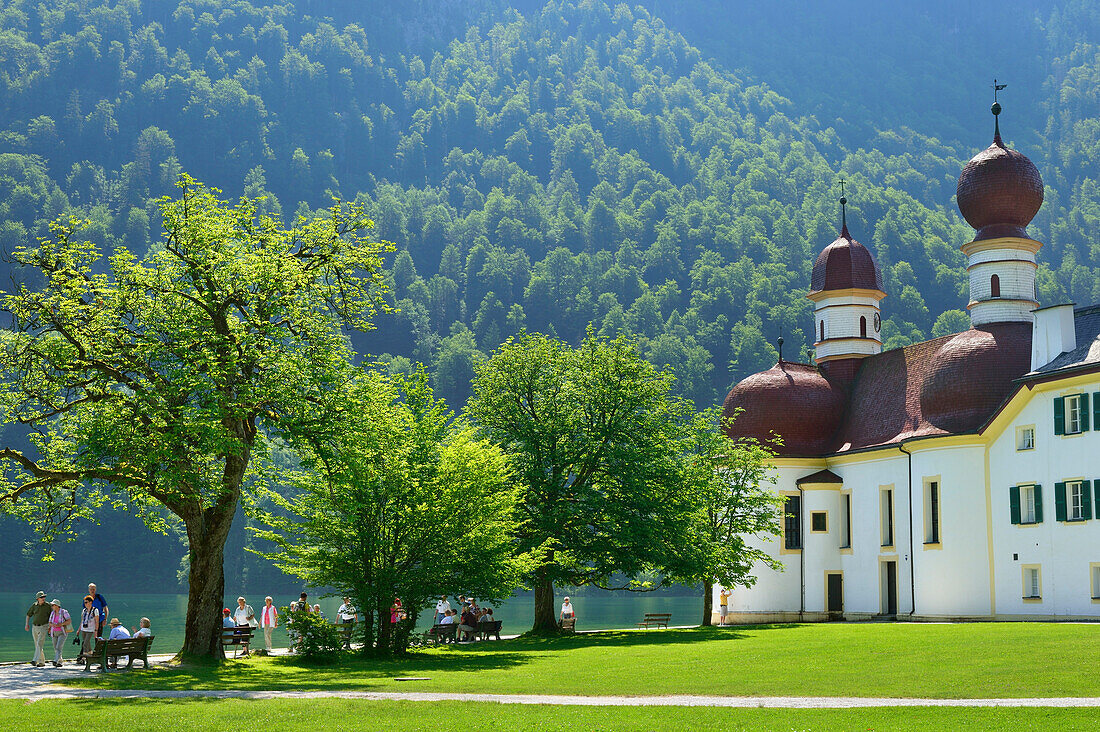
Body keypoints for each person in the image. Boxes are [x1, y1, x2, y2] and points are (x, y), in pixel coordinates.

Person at [24, 591, 51, 667]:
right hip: (34, 627)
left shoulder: (48, 606)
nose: (43, 598)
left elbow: (52, 615)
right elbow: (28, 615)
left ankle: (34, 660)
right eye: (42, 597)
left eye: (44, 597)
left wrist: (50, 627)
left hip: (44, 626)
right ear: (38, 599)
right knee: (37, 644)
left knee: (39, 643)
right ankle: (41, 662)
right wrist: (27, 624)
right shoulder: (34, 605)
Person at [47, 599, 70, 667]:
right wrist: (52, 625)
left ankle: (55, 660)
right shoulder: (52, 613)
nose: (52, 606)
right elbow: (50, 623)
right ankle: (60, 661)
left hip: (62, 632)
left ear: (57, 606)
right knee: (55, 647)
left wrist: (61, 624)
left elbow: (69, 621)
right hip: (54, 632)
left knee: (58, 647)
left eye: (53, 605)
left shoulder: (64, 612)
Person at [77, 595, 100, 662]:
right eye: (84, 602)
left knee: (85, 643)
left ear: (90, 602)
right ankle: (91, 654)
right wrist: (79, 629)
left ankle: (84, 658)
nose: (85, 604)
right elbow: (82, 621)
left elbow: (97, 621)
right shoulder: (84, 610)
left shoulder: (95, 610)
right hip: (83, 629)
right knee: (87, 644)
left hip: (90, 629)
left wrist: (96, 630)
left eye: (86, 602)